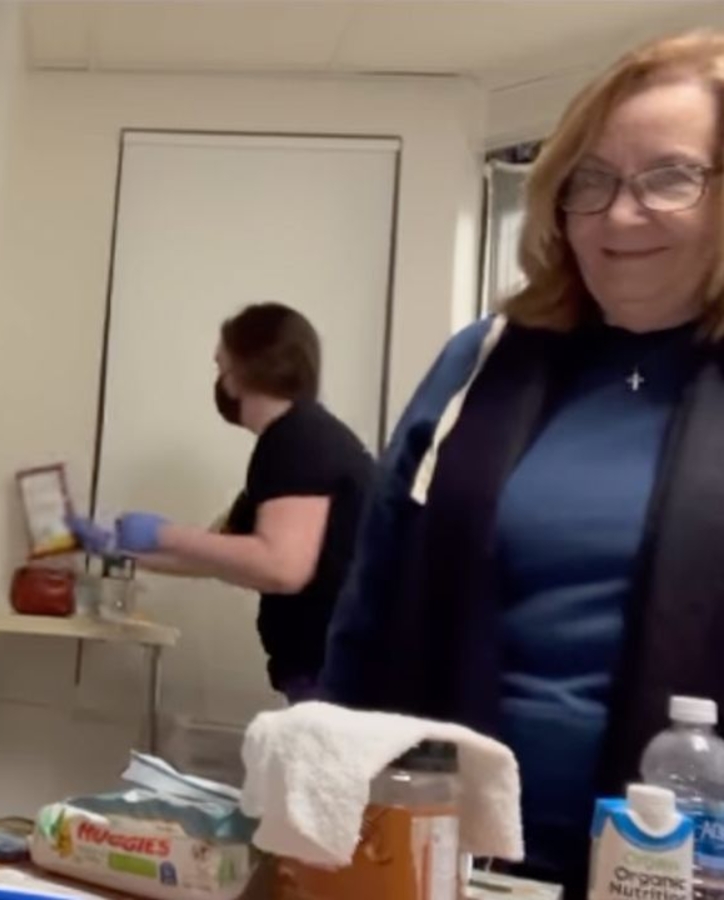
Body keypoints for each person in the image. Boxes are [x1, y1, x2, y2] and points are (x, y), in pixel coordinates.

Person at [321, 31, 724, 890]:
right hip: (442, 856)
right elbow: (372, 603)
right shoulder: (481, 363)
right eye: (591, 179)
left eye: (670, 177)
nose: (619, 215)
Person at [70, 303, 374, 703]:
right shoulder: (293, 440)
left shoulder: (299, 440)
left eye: (221, 366)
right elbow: (217, 556)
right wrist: (120, 550)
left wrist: (164, 534)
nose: (220, 380)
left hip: (344, 678)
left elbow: (283, 567)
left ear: (247, 369)